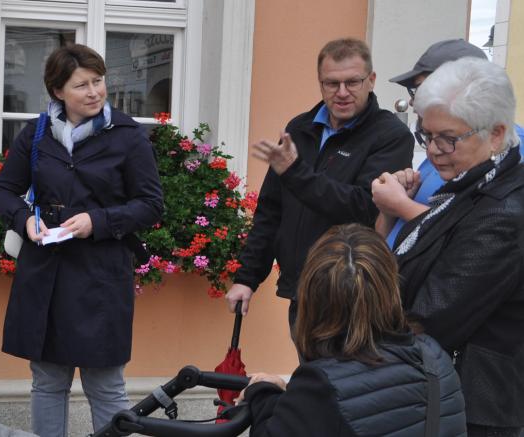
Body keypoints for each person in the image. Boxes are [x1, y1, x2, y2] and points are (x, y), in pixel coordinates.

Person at [0, 44, 164, 437]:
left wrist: (97, 221)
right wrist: (23, 220)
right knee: (48, 383)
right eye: (81, 85)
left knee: (106, 386)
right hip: (44, 275)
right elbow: (2, 190)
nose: (94, 92)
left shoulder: (128, 135)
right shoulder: (36, 133)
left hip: (100, 278)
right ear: (57, 92)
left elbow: (151, 205)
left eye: (98, 81)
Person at [373, 57, 524, 437]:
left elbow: (435, 314)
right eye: (426, 135)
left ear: (496, 134)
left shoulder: (505, 211)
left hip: (470, 407)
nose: (434, 150)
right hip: (443, 393)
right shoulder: (472, 183)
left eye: (448, 138)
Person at [224, 38, 413, 330]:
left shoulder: (390, 135)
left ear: (371, 80)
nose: (342, 93)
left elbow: (363, 207)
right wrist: (246, 279)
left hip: (351, 292)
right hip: (301, 289)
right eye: (331, 83)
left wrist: (296, 172)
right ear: (320, 82)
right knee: (311, 374)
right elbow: (270, 213)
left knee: (337, 376)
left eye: (353, 82)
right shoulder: (299, 128)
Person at [239, 224, 465, 436]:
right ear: (389, 289)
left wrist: (261, 393)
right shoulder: (434, 357)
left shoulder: (322, 385)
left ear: (312, 298)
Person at [377, 39, 524, 248]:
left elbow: (483, 231)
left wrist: (400, 205)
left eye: (422, 88)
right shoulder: (438, 144)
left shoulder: (511, 148)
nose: (412, 100)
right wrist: (390, 207)